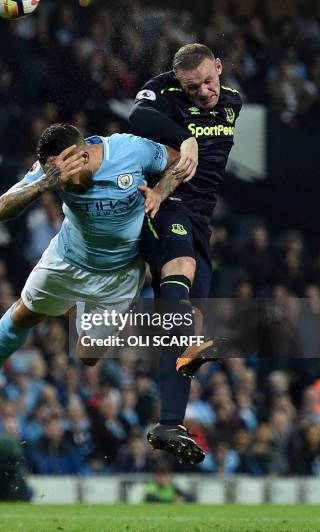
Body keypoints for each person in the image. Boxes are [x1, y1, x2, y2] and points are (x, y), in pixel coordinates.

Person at [0, 122, 204, 461]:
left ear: (82, 153)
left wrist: (161, 191)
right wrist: (47, 181)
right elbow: (0, 210)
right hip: (68, 258)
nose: (64, 180)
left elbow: (177, 160)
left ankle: (79, 310)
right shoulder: (51, 171)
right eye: (55, 173)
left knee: (88, 356)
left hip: (118, 274)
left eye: (65, 169)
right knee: (24, 312)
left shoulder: (128, 150)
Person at [129, 43, 242, 462]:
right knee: (178, 288)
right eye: (194, 87)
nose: (205, 93)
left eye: (209, 82)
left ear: (219, 67)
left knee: (186, 332)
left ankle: (169, 423)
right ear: (180, 81)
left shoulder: (233, 101)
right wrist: (185, 138)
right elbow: (137, 116)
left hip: (202, 221)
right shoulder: (163, 91)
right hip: (163, 201)